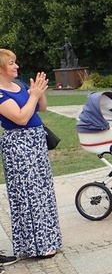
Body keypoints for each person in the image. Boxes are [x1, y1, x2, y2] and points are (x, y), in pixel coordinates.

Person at [0, 49, 61, 260]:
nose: (17, 66)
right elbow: (21, 118)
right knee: (29, 194)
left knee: (42, 190)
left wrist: (39, 92)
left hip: (36, 143)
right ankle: (36, 245)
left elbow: (42, 108)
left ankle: (49, 239)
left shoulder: (21, 85)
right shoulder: (0, 93)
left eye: (16, 62)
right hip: (19, 146)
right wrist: (33, 96)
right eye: (11, 63)